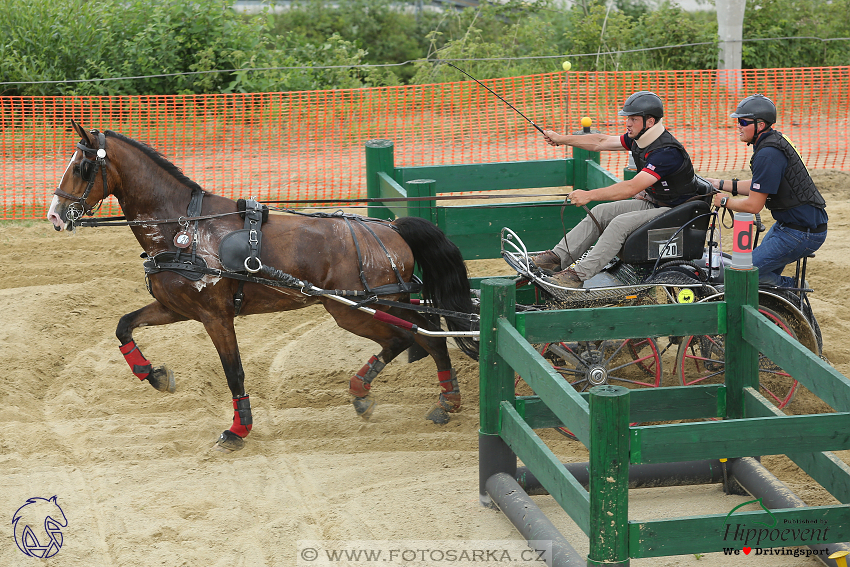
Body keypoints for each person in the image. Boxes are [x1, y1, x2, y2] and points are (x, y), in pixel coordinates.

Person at [531, 91, 703, 288]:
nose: (627, 123)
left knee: (619, 224)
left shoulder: (666, 152)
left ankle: (576, 277)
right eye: (628, 118)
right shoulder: (640, 138)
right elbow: (600, 142)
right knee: (600, 212)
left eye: (633, 119)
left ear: (650, 122)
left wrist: (589, 195)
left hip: (677, 213)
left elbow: (630, 188)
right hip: (657, 204)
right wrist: (562, 139)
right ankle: (555, 258)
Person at [706, 94, 827, 288]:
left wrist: (723, 201)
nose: (738, 125)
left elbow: (754, 205)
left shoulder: (768, 153)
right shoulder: (771, 143)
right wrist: (719, 183)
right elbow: (761, 185)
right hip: (790, 226)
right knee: (751, 274)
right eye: (738, 121)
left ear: (760, 125)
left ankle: (794, 289)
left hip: (801, 232)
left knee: (740, 273)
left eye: (743, 121)